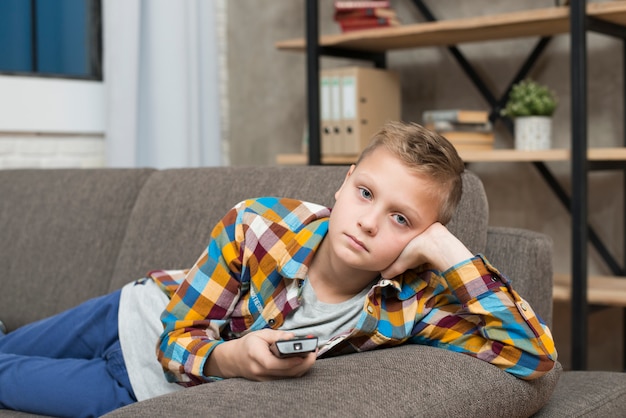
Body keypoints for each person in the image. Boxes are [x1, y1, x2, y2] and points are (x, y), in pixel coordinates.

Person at [0, 121, 557, 417]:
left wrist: (450, 253)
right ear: (342, 185)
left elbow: (533, 356)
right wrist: (230, 356)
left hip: (136, 390)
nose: (367, 222)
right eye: (364, 193)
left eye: (401, 219)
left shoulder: (412, 306)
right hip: (134, 310)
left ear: (424, 239)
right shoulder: (257, 224)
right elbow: (176, 337)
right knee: (12, 342)